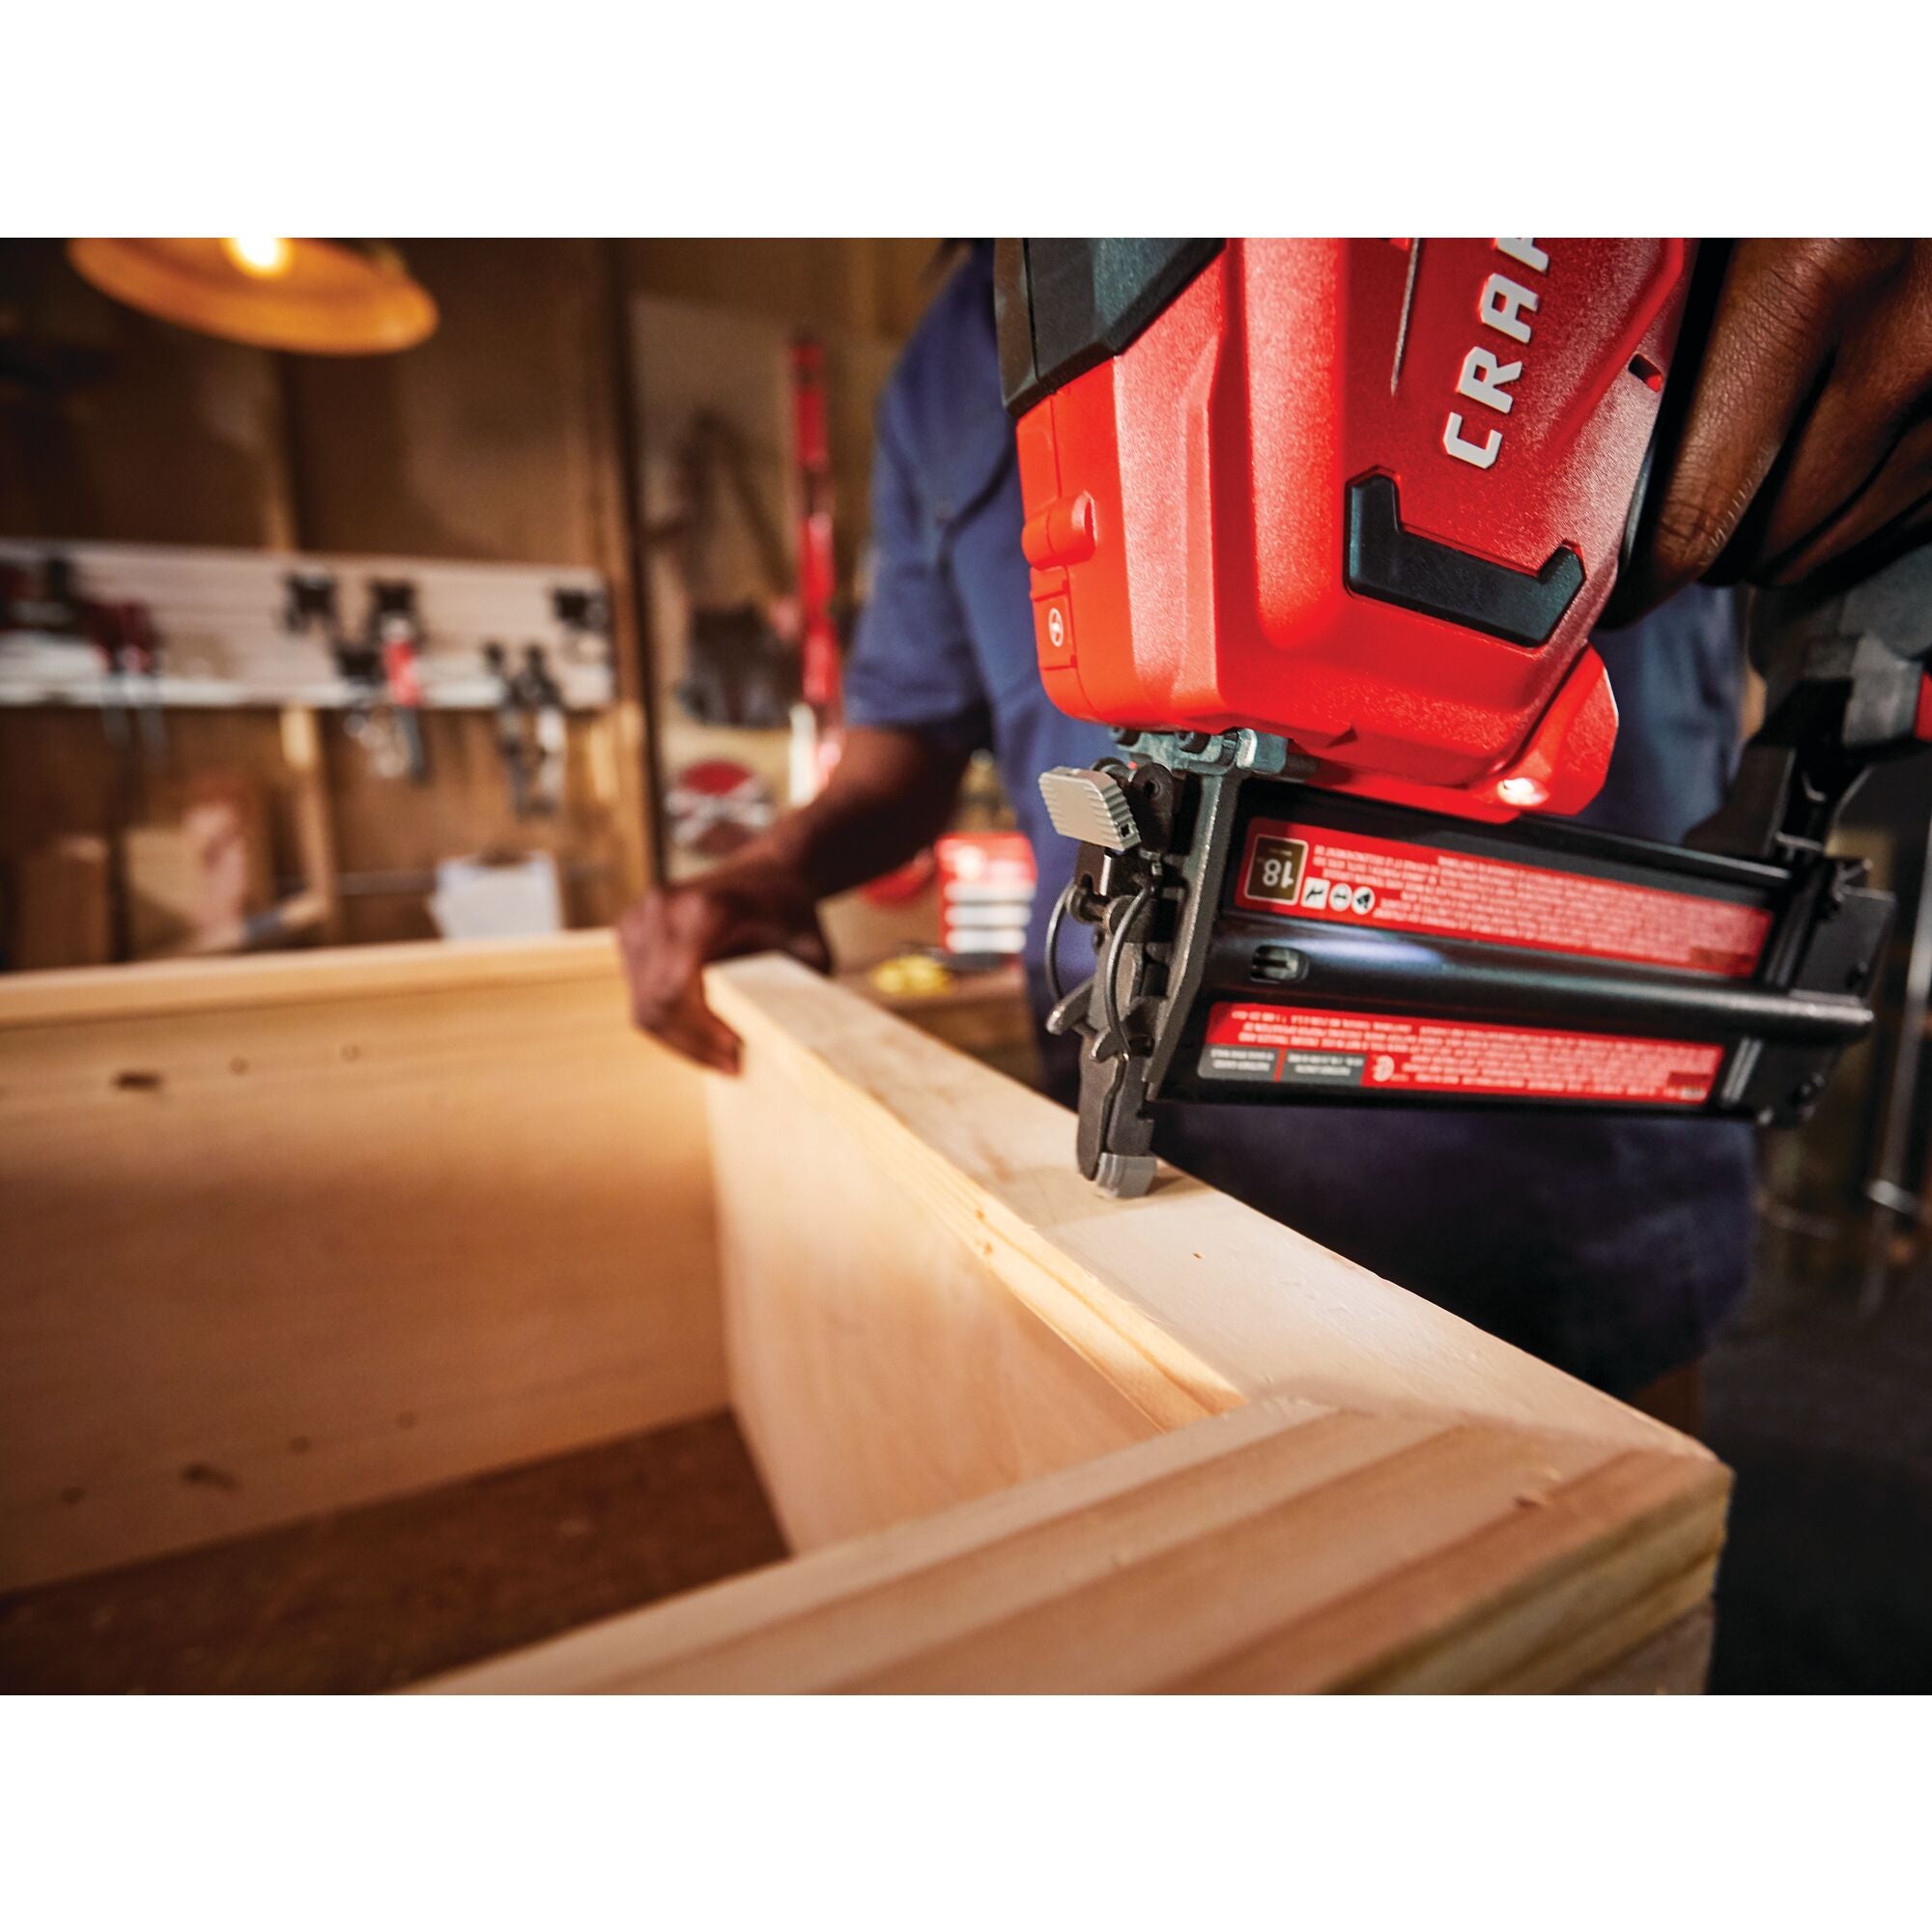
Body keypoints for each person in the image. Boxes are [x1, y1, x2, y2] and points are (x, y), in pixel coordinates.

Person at [618, 239, 1932, 1418]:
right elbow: (902, 741)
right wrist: (773, 867)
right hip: (1155, 1173)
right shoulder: (952, 354)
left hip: (1576, 1164)